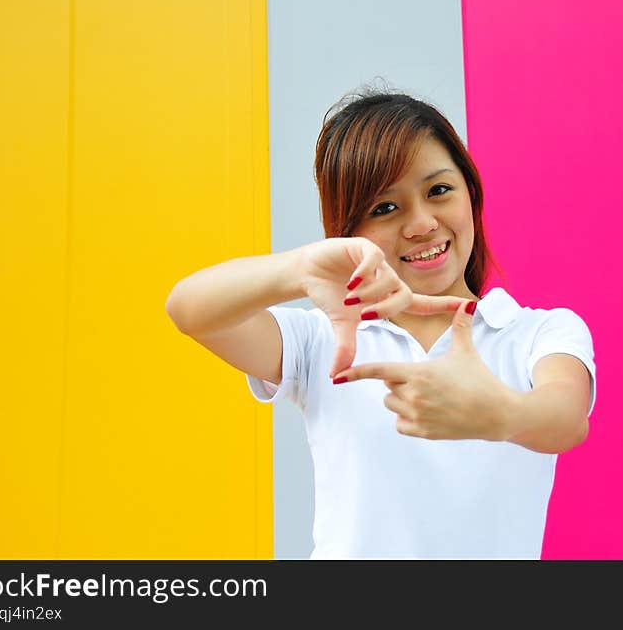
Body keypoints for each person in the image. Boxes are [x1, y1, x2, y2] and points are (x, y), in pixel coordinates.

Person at [165, 83, 596, 559]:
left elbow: (565, 420)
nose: (421, 224)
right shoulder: (322, 338)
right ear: (350, 231)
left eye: (439, 191)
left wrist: (495, 413)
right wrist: (302, 268)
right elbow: (189, 309)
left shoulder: (539, 332)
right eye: (385, 208)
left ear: (470, 193)